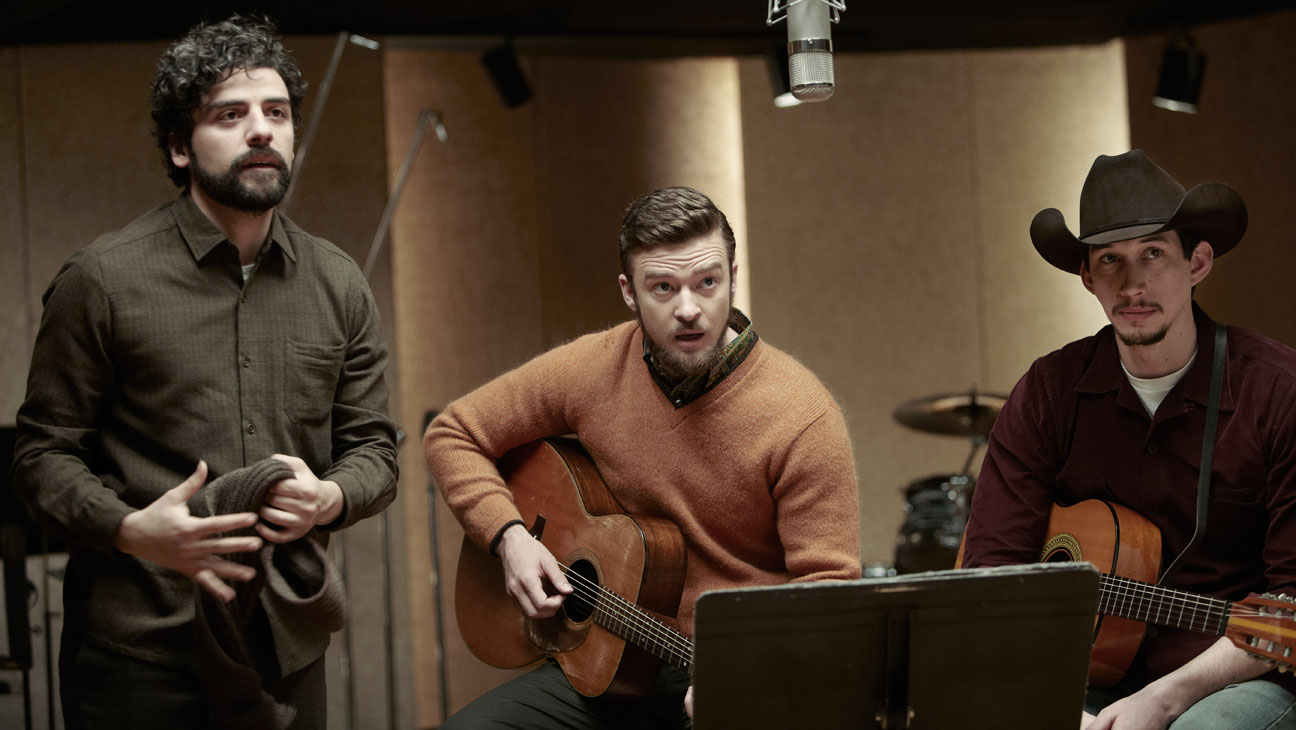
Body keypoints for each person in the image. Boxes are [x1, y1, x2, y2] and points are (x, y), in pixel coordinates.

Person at [11, 16, 398, 730]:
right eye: (230, 115)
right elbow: (40, 456)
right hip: (140, 654)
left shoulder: (339, 283)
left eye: (276, 113)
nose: (261, 131)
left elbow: (375, 449)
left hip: (286, 646)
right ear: (179, 147)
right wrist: (130, 529)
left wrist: (330, 497)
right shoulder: (102, 280)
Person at [424, 186, 861, 728]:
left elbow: (829, 592)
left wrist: (749, 671)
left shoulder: (804, 416)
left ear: (733, 276)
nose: (688, 308)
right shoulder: (593, 367)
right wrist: (509, 537)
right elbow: (454, 432)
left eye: (707, 282)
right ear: (629, 293)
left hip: (736, 673)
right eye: (663, 287)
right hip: (605, 663)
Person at [960, 150, 1296, 730]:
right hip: (1078, 679)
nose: (1133, 284)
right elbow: (992, 577)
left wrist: (1160, 700)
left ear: (1197, 262)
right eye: (1110, 259)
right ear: (1087, 278)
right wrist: (1051, 705)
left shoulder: (1278, 391)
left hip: (1237, 675)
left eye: (1153, 253)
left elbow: (1291, 606)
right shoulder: (1047, 392)